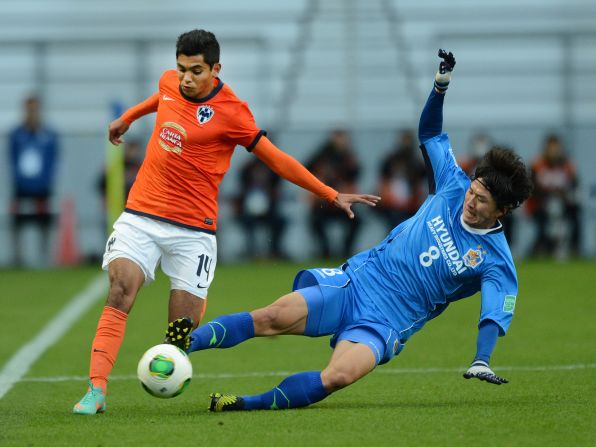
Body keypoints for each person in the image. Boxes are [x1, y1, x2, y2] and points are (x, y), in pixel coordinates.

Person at [171, 49, 533, 412]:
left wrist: (481, 358)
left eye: (482, 200)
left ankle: (243, 404)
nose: (471, 201)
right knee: (271, 317)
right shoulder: (453, 185)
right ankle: (182, 344)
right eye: (474, 190)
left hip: (389, 320)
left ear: (503, 209)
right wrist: (439, 88)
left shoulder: (496, 260)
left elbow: (493, 313)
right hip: (357, 282)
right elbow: (430, 133)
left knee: (338, 377)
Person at [72, 29, 379, 415]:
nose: (186, 77)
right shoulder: (170, 82)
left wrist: (329, 193)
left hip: (194, 232)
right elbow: (161, 97)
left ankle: (171, 367)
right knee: (121, 289)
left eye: (196, 70)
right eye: (181, 68)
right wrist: (127, 118)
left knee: (180, 333)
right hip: (141, 217)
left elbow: (275, 158)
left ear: (216, 69)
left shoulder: (232, 111)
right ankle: (96, 389)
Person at [8, 95, 60, 267]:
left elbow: (53, 160)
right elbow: (12, 158)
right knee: (18, 221)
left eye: (35, 109)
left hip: (42, 187)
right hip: (21, 187)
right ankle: (18, 257)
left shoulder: (48, 135)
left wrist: (46, 181)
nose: (32, 113)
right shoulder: (16, 135)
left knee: (44, 221)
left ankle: (44, 257)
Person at [306, 129, 362, 258]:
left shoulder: (348, 155)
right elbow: (307, 168)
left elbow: (356, 172)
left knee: (356, 221)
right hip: (324, 201)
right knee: (315, 221)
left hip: (343, 201)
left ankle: (346, 252)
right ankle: (325, 251)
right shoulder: (322, 154)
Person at [527, 134, 581, 257]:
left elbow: (574, 185)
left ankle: (574, 248)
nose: (553, 151)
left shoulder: (567, 165)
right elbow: (530, 187)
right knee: (542, 224)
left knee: (575, 214)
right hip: (541, 204)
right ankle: (541, 247)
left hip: (563, 202)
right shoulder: (537, 164)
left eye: (556, 147)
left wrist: (563, 196)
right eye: (551, 147)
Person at [234, 156, 287, 259]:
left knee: (280, 222)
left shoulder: (274, 171)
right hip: (248, 211)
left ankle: (274, 250)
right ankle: (251, 251)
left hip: (270, 210)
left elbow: (277, 192)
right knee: (247, 223)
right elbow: (241, 192)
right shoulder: (246, 170)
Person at [376, 129, 427, 231]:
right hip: (391, 203)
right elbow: (383, 179)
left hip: (411, 203)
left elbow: (423, 178)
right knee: (395, 224)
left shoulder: (416, 162)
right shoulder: (391, 159)